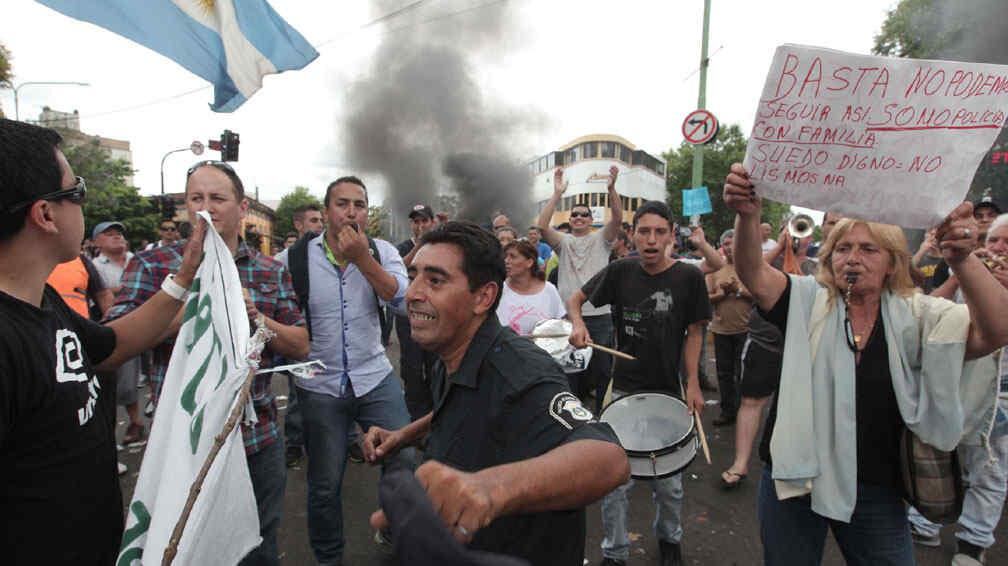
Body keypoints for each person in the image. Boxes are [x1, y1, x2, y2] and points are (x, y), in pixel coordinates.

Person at [723, 163, 1008, 565]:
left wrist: (963, 261)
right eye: (843, 248)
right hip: (794, 480)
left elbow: (996, 331)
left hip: (876, 487)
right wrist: (747, 214)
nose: (853, 259)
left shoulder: (918, 314)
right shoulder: (805, 300)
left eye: (868, 249)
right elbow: (753, 271)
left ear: (892, 262)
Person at [0, 118, 207, 564]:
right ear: (45, 214)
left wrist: (183, 278)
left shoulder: (44, 299)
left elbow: (112, 345)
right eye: (78, 191)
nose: (85, 207)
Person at [362, 221, 629, 566]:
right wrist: (403, 436)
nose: (413, 292)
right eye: (413, 276)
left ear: (483, 297)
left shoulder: (520, 370)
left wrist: (490, 489)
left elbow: (609, 459)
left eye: (435, 280)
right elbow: (462, 406)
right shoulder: (452, 353)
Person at [109, 160, 309, 566]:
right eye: (195, 199)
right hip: (184, 446)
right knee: (184, 549)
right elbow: (116, 342)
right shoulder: (153, 266)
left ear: (243, 207)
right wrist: (194, 308)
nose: (206, 208)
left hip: (257, 441)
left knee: (256, 547)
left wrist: (257, 319)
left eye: (217, 198)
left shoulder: (269, 271)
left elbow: (301, 345)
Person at [568, 201, 711, 566]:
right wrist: (579, 325)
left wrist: (693, 383)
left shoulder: (688, 278)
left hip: (668, 389)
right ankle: (615, 552)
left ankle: (669, 539)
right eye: (643, 231)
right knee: (615, 481)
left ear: (671, 235)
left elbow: (695, 332)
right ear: (632, 233)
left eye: (659, 232)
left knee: (670, 483)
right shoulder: (620, 271)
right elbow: (576, 299)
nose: (651, 240)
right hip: (624, 390)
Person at [280, 176, 414, 565]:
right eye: (342, 203)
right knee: (324, 484)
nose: (351, 211)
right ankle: (329, 558)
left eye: (359, 204)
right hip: (319, 385)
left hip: (374, 374)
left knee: (403, 458)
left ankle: (393, 527)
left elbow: (404, 302)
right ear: (325, 213)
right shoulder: (293, 260)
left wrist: (362, 259)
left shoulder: (381, 251)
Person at [906, 214, 1008, 566]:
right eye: (994, 240)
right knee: (940, 449)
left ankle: (973, 541)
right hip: (957, 380)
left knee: (991, 468)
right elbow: (931, 307)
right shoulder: (968, 270)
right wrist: (962, 270)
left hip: (1002, 394)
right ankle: (925, 520)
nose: (998, 249)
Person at [537, 165, 623, 406]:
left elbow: (617, 218)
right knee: (571, 372)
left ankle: (604, 415)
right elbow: (542, 227)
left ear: (591, 219)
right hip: (569, 318)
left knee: (603, 371)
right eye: (574, 214)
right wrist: (557, 193)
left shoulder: (602, 239)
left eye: (584, 214)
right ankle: (574, 418)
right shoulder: (563, 243)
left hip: (600, 317)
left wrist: (611, 189)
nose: (578, 217)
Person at [92, 220, 146, 447]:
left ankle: (139, 420)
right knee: (120, 380)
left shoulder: (139, 260)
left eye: (120, 235)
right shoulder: (94, 266)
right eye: (110, 235)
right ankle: (123, 426)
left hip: (151, 323)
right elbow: (102, 297)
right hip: (119, 328)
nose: (118, 238)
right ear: (97, 242)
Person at [706, 229, 753, 428]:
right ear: (722, 246)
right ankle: (727, 411)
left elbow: (759, 296)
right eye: (726, 244)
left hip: (745, 330)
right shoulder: (714, 268)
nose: (730, 248)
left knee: (742, 373)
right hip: (720, 329)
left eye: (734, 243)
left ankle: (745, 412)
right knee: (723, 373)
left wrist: (738, 291)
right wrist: (723, 294)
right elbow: (707, 297)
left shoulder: (750, 268)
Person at [396, 203, 438, 420]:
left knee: (435, 364)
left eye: (424, 221)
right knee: (411, 367)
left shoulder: (440, 247)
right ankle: (414, 420)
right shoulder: (403, 248)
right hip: (408, 315)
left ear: (432, 222)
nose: (420, 225)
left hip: (434, 313)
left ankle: (435, 415)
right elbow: (399, 270)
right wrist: (419, 246)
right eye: (416, 221)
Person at [496, 240, 565, 335]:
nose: (506, 261)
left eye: (513, 257)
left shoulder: (549, 290)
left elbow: (558, 325)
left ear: (529, 263)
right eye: (505, 257)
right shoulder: (498, 289)